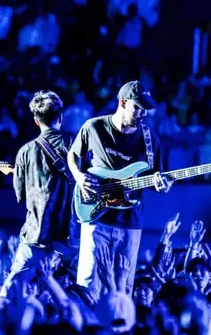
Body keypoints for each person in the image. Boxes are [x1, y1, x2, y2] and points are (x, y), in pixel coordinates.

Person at [67, 81, 174, 295]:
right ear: (123, 103)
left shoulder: (150, 139)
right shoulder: (94, 127)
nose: (143, 114)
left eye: (146, 109)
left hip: (130, 223)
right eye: (138, 108)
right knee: (89, 287)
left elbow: (159, 180)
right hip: (96, 218)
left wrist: (163, 186)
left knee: (122, 290)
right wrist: (79, 177)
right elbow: (73, 155)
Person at [0, 90, 75, 297]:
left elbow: (20, 195)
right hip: (71, 234)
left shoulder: (25, 151)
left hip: (37, 232)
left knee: (13, 285)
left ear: (36, 120)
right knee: (83, 285)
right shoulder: (74, 144)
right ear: (61, 117)